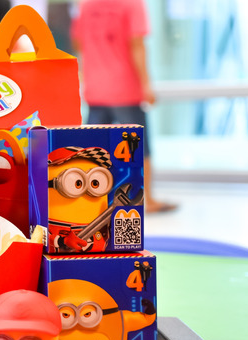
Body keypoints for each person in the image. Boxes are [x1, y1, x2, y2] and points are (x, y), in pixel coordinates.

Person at [71, 0, 175, 213]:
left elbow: (77, 42)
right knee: (139, 147)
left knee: (93, 150)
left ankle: (92, 202)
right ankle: (146, 199)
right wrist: (146, 84)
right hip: (125, 88)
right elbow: (137, 44)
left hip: (96, 88)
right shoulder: (132, 4)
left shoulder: (86, 5)